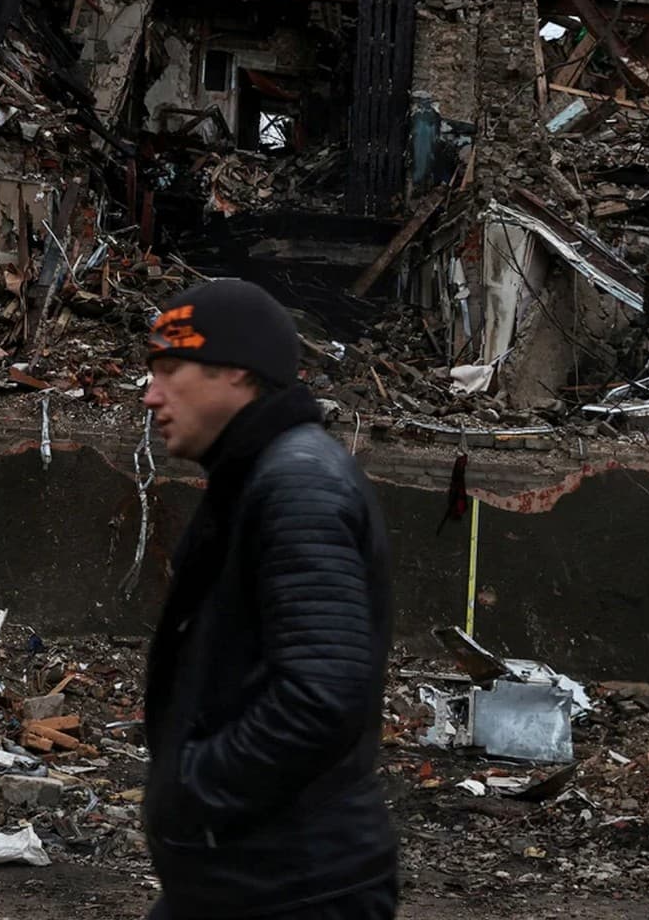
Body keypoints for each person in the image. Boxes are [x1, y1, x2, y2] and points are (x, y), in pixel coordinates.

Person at [138, 279, 397, 920]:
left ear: (236, 373)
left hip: (293, 887)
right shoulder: (258, 475)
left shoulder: (296, 485)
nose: (150, 395)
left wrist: (193, 786)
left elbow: (321, 693)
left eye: (171, 370)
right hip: (247, 877)